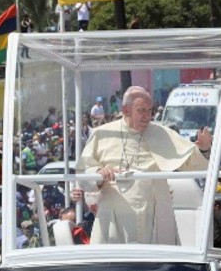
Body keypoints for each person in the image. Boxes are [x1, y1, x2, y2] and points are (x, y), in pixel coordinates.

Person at [72, 86, 212, 245]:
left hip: (154, 215)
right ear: (125, 110)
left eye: (150, 110)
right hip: (114, 218)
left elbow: (193, 165)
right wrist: (99, 173)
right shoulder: (102, 134)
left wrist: (204, 149)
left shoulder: (162, 133)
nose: (147, 116)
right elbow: (83, 172)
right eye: (141, 110)